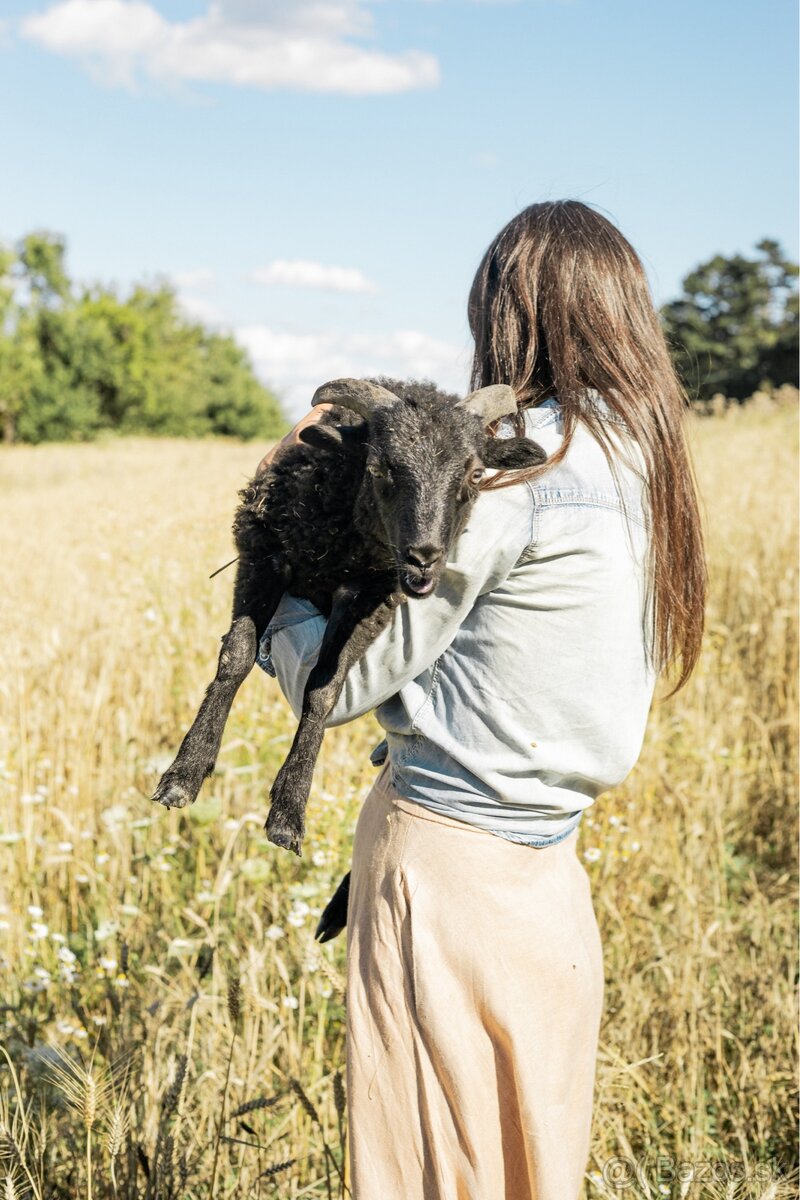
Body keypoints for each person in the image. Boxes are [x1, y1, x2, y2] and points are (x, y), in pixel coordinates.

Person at [258, 201, 707, 1200]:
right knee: (528, 1163)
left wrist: (275, 584)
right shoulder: (646, 460)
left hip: (443, 871)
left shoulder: (512, 472)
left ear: (503, 313)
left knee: (423, 1169)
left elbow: (349, 684)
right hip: (550, 878)